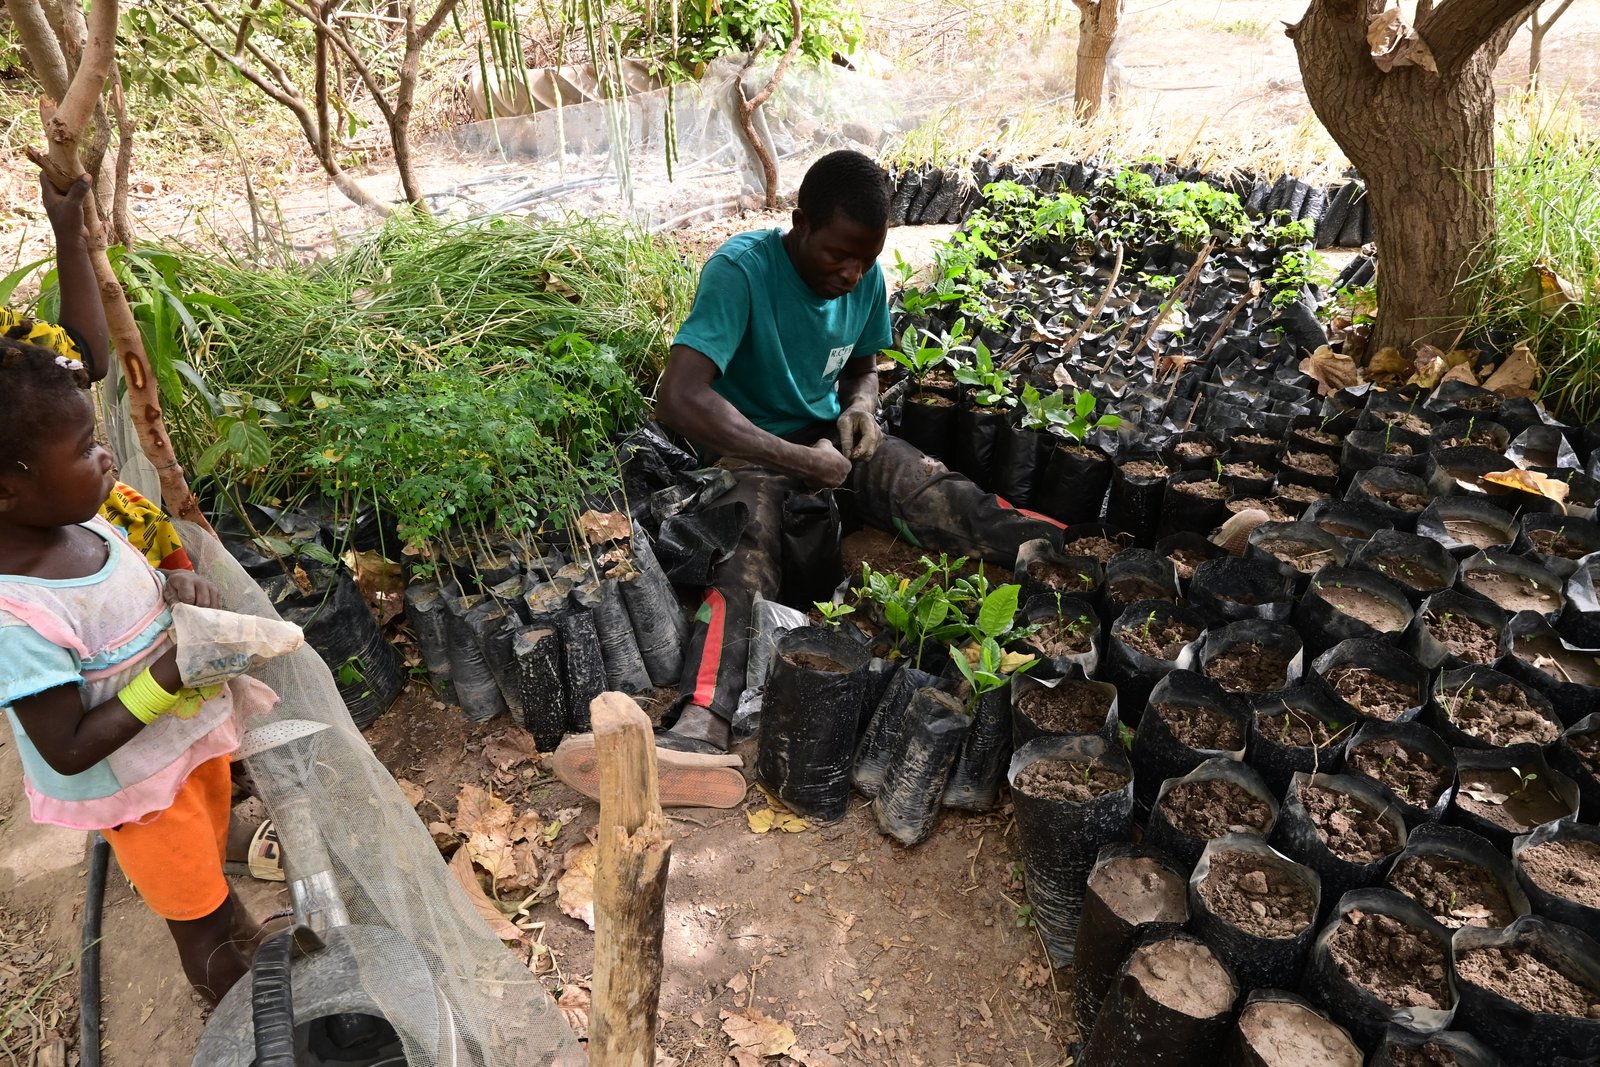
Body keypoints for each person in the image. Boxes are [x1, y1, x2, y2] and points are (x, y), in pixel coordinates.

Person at [553, 150, 1066, 806]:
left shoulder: (863, 277)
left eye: (866, 259)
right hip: (750, 456)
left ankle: (1065, 552)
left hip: (830, 446)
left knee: (938, 492)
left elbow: (864, 364)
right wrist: (797, 460)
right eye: (837, 255)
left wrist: (860, 408)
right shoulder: (742, 271)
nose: (851, 273)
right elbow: (679, 398)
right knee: (745, 553)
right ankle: (697, 731)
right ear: (798, 223)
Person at [0, 340, 282, 1004]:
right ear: (7, 490)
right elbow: (67, 748)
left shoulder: (83, 519)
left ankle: (236, 924)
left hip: (178, 755)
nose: (104, 455)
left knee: (207, 861)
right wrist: (173, 671)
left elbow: (123, 591)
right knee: (197, 925)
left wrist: (173, 588)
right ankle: (243, 1009)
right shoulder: (18, 616)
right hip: (142, 795)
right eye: (82, 449)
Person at [2, 174, 191, 570]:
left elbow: (84, 357)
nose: (107, 456)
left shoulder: (123, 524)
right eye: (88, 446)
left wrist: (71, 234)